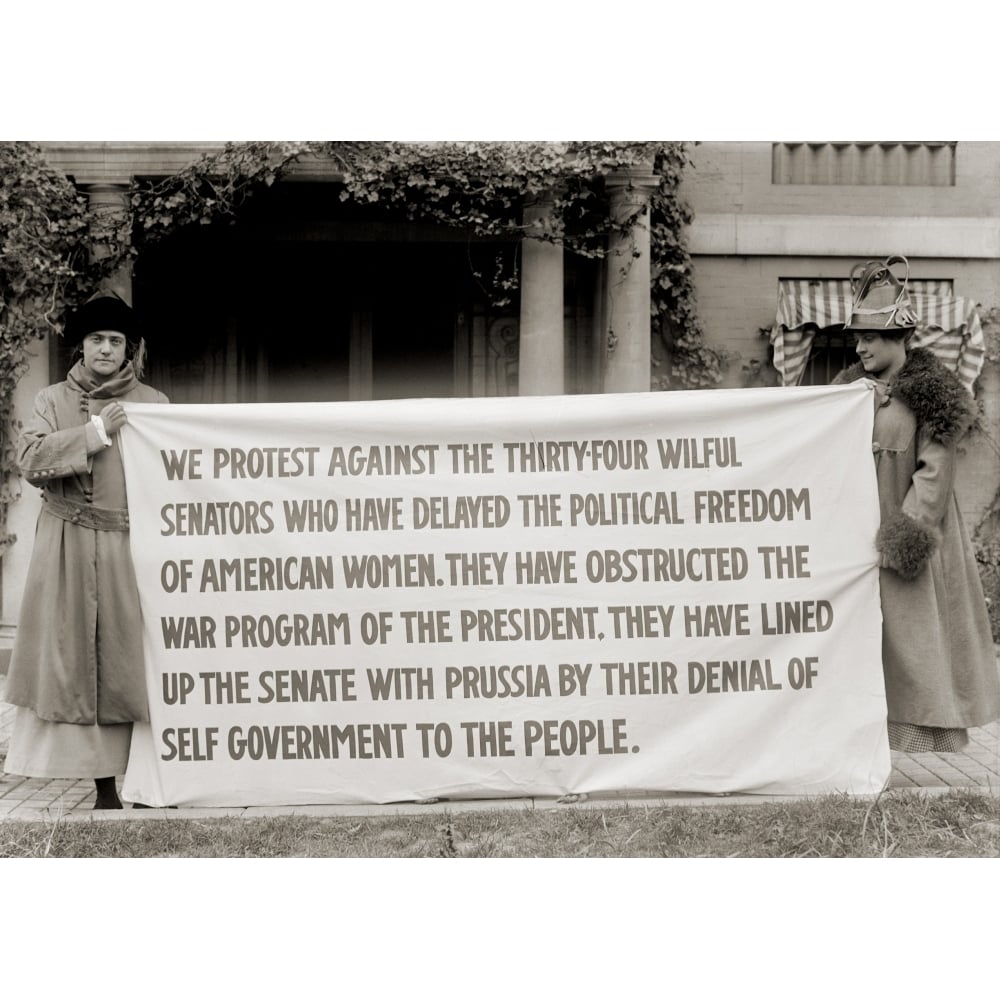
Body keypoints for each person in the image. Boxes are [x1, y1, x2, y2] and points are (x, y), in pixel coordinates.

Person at [3, 293, 169, 808]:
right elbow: (31, 460)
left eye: (115, 341)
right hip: (66, 547)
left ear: (129, 350)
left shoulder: (157, 406)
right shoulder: (50, 400)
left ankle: (141, 778)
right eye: (96, 339)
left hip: (129, 546)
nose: (104, 349)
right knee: (71, 659)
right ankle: (99, 786)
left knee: (130, 661)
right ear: (82, 345)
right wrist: (96, 432)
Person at [833, 255, 1000, 752]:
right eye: (857, 337)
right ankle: (858, 746)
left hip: (913, 547)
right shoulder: (846, 396)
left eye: (871, 337)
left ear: (899, 340)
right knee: (859, 647)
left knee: (914, 647)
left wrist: (903, 539)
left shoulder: (934, 397)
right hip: (856, 545)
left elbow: (934, 477)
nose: (861, 346)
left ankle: (914, 744)